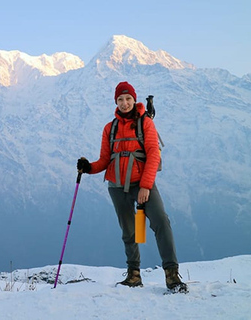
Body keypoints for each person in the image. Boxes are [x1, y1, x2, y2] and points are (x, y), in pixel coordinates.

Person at [77, 81, 187, 292]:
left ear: (134, 100)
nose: (125, 103)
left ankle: (172, 275)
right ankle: (134, 275)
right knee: (129, 231)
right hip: (116, 186)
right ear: (115, 102)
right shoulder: (110, 128)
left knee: (161, 222)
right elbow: (104, 160)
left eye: (128, 99)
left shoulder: (145, 123)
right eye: (120, 99)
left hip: (141, 184)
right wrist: (88, 167)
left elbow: (154, 154)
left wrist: (145, 186)